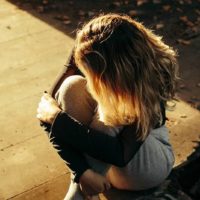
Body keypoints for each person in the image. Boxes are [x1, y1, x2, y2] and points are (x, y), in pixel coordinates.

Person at [37, 13, 179, 200]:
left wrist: (56, 118)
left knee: (119, 110)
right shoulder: (89, 47)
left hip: (144, 167)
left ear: (117, 70)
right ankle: (86, 183)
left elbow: (121, 154)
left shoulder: (151, 77)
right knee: (70, 87)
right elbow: (46, 112)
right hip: (102, 166)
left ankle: (79, 194)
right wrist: (81, 171)